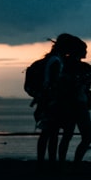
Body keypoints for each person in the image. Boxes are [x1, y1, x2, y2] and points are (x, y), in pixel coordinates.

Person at [55, 35, 91, 165]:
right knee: (86, 138)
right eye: (85, 49)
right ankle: (75, 164)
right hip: (79, 106)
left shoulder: (62, 65)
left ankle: (62, 164)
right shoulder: (83, 67)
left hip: (66, 105)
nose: (87, 52)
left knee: (67, 137)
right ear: (78, 51)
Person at [35, 34, 78, 168]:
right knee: (50, 133)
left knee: (49, 133)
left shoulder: (52, 59)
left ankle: (44, 162)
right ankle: (48, 163)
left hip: (48, 100)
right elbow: (53, 82)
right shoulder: (56, 61)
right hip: (52, 101)